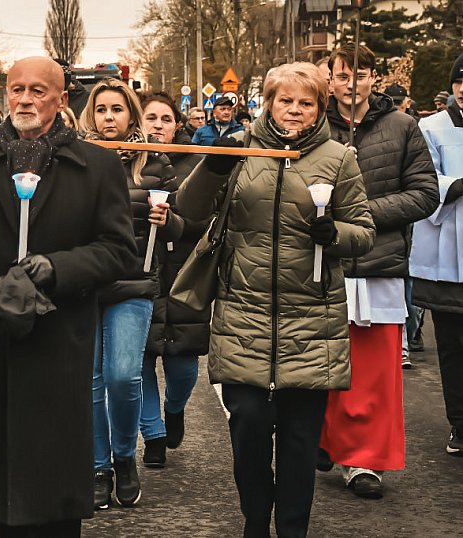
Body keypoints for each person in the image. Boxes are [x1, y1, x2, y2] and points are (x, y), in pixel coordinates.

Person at [0, 56, 136, 537]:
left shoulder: (96, 166)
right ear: (4, 95)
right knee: (1, 490)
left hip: (57, 344)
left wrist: (57, 267)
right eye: (17, 90)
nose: (26, 100)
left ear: (61, 98)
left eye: (38, 90)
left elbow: (119, 251)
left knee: (52, 494)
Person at [175, 62, 375, 537]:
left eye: (306, 103)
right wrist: (214, 164)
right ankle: (254, 521)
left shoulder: (338, 158)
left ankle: (292, 529)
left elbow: (364, 233)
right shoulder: (242, 149)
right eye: (285, 100)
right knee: (246, 425)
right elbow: (190, 208)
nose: (294, 111)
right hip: (244, 313)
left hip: (312, 318)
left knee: (300, 439)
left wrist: (336, 233)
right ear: (267, 103)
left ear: (319, 108)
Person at [319, 43, 438, 499]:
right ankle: (324, 440)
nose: (351, 83)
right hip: (320, 262)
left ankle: (364, 461)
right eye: (342, 74)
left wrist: (360, 211)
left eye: (361, 73)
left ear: (374, 77)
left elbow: (425, 193)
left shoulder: (404, 127)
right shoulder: (312, 123)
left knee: (371, 373)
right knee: (318, 363)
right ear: (329, 79)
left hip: (377, 262)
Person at [79, 78, 175, 509]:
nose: (109, 117)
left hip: (133, 281)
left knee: (123, 376)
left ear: (131, 115)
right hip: (82, 283)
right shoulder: (74, 159)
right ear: (91, 115)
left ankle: (124, 456)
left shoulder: (153, 164)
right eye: (101, 110)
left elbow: (184, 225)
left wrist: (167, 219)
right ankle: (98, 465)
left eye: (117, 109)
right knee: (89, 381)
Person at [138, 92, 207, 468]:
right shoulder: (126, 162)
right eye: (151, 118)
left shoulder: (195, 164)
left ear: (176, 125)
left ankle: (174, 408)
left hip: (183, 277)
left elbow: (206, 220)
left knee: (182, 366)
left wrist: (174, 222)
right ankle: (153, 435)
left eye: (166, 119)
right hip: (139, 276)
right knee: (141, 361)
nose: (158, 126)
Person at [410, 51, 463, 456]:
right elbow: (426, 177)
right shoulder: (432, 126)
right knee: (452, 343)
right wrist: (455, 185)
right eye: (461, 83)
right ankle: (459, 422)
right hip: (450, 249)